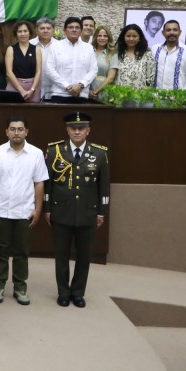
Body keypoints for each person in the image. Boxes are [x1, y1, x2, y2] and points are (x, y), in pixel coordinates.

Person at [44, 112, 110, 308]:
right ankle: (63, 292)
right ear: (67, 130)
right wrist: (47, 208)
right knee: (61, 256)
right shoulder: (55, 150)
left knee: (84, 256)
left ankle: (78, 293)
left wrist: (101, 211)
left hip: (88, 213)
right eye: (73, 128)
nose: (77, 131)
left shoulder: (99, 153)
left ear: (88, 131)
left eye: (81, 128)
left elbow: (103, 186)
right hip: (61, 212)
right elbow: (48, 183)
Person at [0, 116, 47, 306]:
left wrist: (38, 209)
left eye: (20, 129)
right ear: (7, 132)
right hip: (1, 210)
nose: (16, 132)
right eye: (12, 129)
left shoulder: (35, 154)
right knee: (0, 250)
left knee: (22, 251)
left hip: (25, 211)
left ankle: (20, 287)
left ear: (26, 131)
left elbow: (39, 183)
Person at [44, 17, 97, 103]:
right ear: (64, 30)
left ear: (81, 30)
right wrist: (67, 86)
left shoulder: (89, 48)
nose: (74, 30)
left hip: (81, 94)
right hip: (59, 94)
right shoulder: (55, 46)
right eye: (71, 27)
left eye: (77, 27)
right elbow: (50, 70)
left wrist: (80, 85)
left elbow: (93, 70)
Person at [154, 20, 186, 90]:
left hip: (178, 99)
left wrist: (182, 95)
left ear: (180, 32)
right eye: (168, 30)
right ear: (163, 33)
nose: (172, 33)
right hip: (156, 97)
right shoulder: (155, 49)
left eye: (175, 30)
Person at [5, 20, 42, 103]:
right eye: (20, 31)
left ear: (30, 33)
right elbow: (9, 72)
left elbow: (38, 72)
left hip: (32, 88)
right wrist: (21, 90)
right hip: (14, 87)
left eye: (25, 31)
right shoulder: (11, 49)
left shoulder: (37, 49)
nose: (23, 34)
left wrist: (32, 90)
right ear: (16, 34)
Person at [114, 24, 155, 89]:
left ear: (140, 38)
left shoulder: (147, 54)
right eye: (128, 36)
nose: (131, 39)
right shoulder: (117, 53)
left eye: (134, 36)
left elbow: (150, 78)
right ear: (123, 37)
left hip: (140, 96)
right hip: (118, 95)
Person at [30, 17, 57, 100]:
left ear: (53, 30)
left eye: (48, 28)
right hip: (32, 89)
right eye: (42, 28)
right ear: (36, 30)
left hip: (54, 89)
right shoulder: (30, 44)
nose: (45, 31)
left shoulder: (60, 46)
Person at [89, 25, 118, 100]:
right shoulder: (88, 51)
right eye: (99, 36)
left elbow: (111, 78)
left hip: (103, 91)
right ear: (95, 37)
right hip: (86, 91)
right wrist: (88, 91)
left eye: (105, 36)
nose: (102, 38)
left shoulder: (113, 53)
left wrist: (96, 91)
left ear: (109, 38)